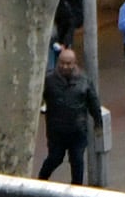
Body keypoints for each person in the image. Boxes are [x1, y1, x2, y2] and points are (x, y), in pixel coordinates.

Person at [41, 48, 106, 185]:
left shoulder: (84, 81)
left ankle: (77, 190)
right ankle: (40, 180)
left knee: (77, 160)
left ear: (75, 63)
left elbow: (93, 103)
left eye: (68, 63)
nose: (65, 66)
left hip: (78, 130)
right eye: (62, 63)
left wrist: (98, 124)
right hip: (56, 131)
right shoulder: (49, 80)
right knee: (55, 158)